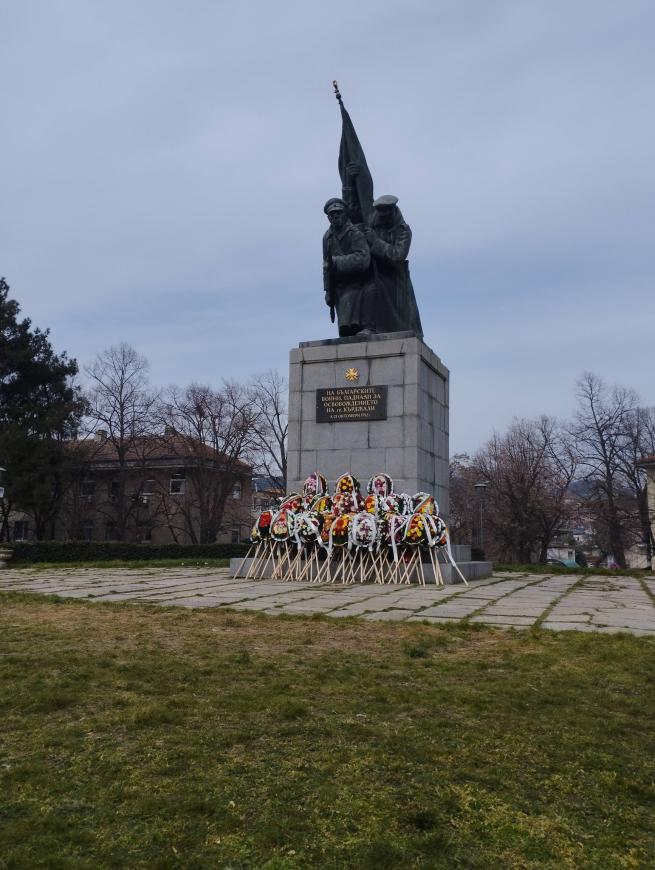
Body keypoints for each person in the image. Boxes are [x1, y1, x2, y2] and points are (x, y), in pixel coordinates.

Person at [364, 195, 423, 337]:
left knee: (402, 322)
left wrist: (375, 242)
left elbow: (397, 256)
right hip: (377, 276)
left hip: (396, 281)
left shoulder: (403, 231)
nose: (383, 218)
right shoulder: (373, 226)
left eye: (386, 214)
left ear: (392, 211)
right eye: (381, 214)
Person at [322, 198, 375, 337]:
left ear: (345, 214)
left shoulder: (355, 233)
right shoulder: (327, 238)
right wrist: (327, 291)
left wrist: (337, 261)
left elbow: (363, 259)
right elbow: (326, 267)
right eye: (332, 214)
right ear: (328, 217)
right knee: (345, 330)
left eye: (338, 212)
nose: (335, 216)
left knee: (350, 323)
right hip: (339, 287)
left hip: (358, 284)